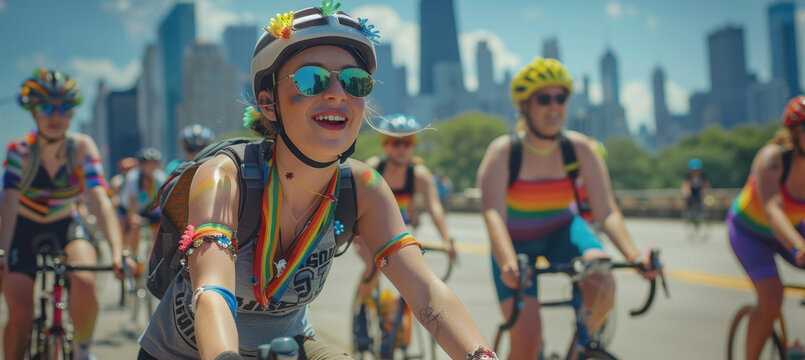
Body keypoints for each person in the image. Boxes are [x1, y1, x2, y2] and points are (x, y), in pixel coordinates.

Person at [137, 4, 495, 360]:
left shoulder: (364, 187)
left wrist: (480, 356)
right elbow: (212, 292)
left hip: (288, 347)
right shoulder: (223, 175)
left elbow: (426, 294)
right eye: (312, 79)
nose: (337, 93)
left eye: (355, 81)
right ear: (268, 103)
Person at [476, 57, 656, 358]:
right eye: (544, 98)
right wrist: (508, 262)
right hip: (514, 243)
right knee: (528, 344)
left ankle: (579, 351)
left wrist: (634, 255)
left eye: (561, 98)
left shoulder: (581, 148)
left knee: (601, 272)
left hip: (562, 231)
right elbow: (492, 212)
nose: (554, 106)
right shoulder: (503, 151)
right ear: (524, 106)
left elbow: (606, 211)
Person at [0, 68, 130, 360]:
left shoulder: (82, 147)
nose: (55, 115)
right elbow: (8, 202)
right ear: (33, 112)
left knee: (84, 281)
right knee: (20, 310)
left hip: (66, 224)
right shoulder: (19, 151)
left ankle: (83, 351)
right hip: (22, 227)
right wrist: (2, 253)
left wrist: (117, 251)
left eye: (65, 107)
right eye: (46, 107)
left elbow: (99, 197)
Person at [353, 115, 456, 351]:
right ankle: (361, 315)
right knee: (372, 268)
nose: (400, 149)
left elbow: (434, 206)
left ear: (413, 146)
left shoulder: (419, 175)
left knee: (412, 277)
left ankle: (397, 324)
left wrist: (447, 240)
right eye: (394, 143)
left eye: (406, 143)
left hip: (396, 234)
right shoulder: (373, 167)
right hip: (366, 230)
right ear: (385, 145)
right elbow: (357, 203)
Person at [727, 95, 805, 359]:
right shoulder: (772, 159)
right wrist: (798, 245)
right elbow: (773, 209)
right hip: (750, 233)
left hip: (792, 228)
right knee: (772, 297)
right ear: (795, 134)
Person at [121, 147, 166, 258]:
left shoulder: (160, 177)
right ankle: (133, 255)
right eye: (147, 164)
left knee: (162, 226)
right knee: (135, 225)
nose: (150, 167)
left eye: (153, 163)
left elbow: (163, 200)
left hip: (151, 209)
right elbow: (132, 202)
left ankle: (158, 254)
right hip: (133, 208)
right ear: (141, 165)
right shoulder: (133, 178)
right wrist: (133, 216)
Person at [681, 158, 710, 226]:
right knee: (689, 200)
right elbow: (685, 185)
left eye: (697, 170)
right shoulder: (689, 176)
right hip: (691, 191)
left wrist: (707, 193)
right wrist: (686, 192)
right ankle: (690, 214)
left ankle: (700, 215)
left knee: (700, 203)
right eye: (694, 170)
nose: (696, 171)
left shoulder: (703, 175)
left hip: (699, 191)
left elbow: (707, 185)